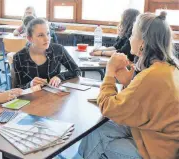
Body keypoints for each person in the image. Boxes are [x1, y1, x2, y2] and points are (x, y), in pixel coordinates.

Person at [76, 12, 179, 159]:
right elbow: (139, 107)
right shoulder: (169, 68)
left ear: (143, 42)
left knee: (97, 137)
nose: (130, 38)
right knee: (102, 129)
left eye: (133, 34)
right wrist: (128, 83)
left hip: (158, 151)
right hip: (162, 140)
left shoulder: (151, 76)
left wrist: (109, 73)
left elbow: (108, 109)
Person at [13, 18, 80, 89]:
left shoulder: (58, 50)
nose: (47, 39)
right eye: (40, 35)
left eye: (48, 33)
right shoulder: (19, 57)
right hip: (33, 98)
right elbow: (18, 88)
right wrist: (30, 84)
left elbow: (76, 70)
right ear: (30, 38)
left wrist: (59, 77)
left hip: (54, 96)